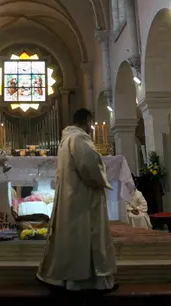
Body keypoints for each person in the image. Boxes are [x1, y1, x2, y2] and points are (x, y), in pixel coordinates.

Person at [37, 108, 117, 292]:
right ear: (87, 120)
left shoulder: (66, 139)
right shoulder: (79, 139)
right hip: (83, 196)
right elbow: (89, 166)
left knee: (72, 235)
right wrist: (102, 172)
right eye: (91, 123)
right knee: (84, 234)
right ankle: (84, 280)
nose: (91, 127)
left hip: (70, 195)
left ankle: (66, 278)